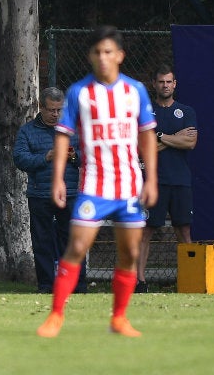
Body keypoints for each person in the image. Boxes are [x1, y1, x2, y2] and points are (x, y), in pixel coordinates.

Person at [36, 25, 158, 338]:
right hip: (94, 186)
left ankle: (119, 318)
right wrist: (59, 178)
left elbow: (146, 135)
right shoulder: (80, 92)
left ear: (119, 55)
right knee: (76, 246)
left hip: (129, 185)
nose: (103, 58)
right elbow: (63, 136)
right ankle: (55, 316)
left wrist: (151, 179)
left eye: (108, 52)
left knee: (130, 254)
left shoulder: (135, 91)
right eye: (97, 52)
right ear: (90, 56)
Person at [13, 87, 87, 294]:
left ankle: (77, 286)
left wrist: (72, 157)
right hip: (40, 194)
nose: (56, 114)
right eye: (51, 110)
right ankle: (46, 286)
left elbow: (88, 154)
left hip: (70, 193)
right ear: (41, 108)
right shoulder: (27, 131)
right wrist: (46, 157)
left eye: (59, 110)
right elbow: (19, 159)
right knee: (42, 242)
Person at [136, 64, 198, 293]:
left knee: (184, 231)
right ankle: (140, 281)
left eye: (169, 81)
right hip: (153, 181)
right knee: (146, 231)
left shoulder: (186, 112)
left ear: (175, 84)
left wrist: (159, 135)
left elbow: (190, 142)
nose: (165, 85)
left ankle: (191, 279)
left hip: (180, 180)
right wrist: (173, 137)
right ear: (154, 84)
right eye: (161, 81)